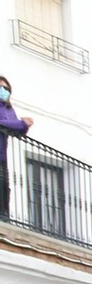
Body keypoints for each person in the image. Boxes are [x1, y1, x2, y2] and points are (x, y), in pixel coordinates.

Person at [0, 75, 34, 220]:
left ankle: (4, 217)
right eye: (0, 87)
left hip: (2, 154)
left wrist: (25, 126)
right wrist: (22, 123)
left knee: (4, 187)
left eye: (6, 88)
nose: (3, 90)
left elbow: (16, 129)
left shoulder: (9, 109)